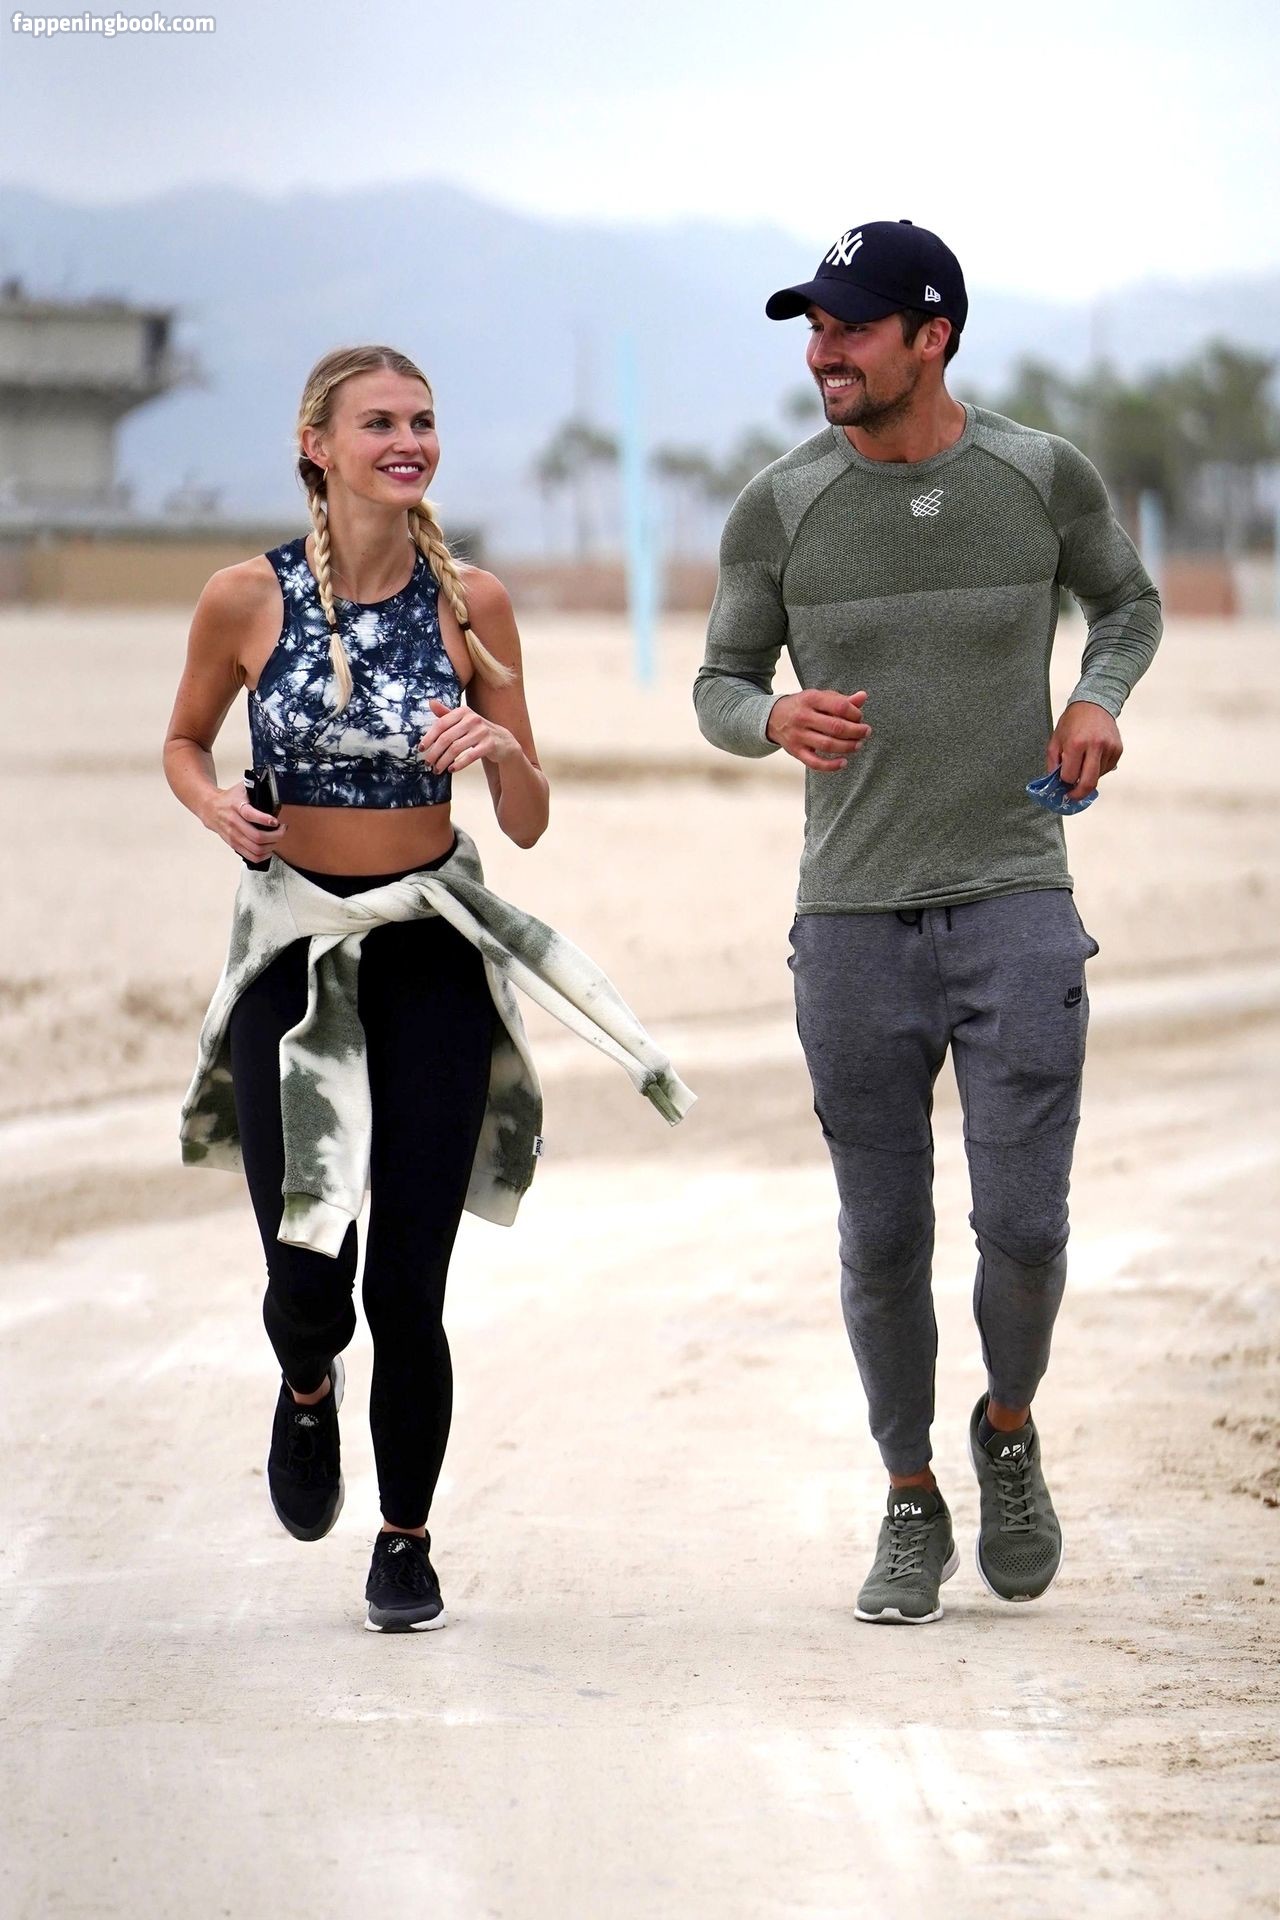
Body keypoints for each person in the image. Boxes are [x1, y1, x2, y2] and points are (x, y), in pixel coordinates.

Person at [165, 344, 692, 1633]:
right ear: (319, 446)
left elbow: (529, 819)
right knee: (306, 1273)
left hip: (431, 957)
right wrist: (215, 804)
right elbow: (181, 742)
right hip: (293, 955)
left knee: (407, 1286)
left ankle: (404, 1542)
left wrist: (501, 744)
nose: (408, 442)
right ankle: (306, 1389)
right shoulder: (245, 599)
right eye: (380, 423)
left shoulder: (474, 605)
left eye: (423, 421)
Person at [693, 221, 1161, 1624]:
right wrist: (772, 716)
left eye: (850, 327)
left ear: (932, 335)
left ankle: (1006, 1429)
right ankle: (909, 1496)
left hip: (1019, 896)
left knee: (1023, 1227)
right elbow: (720, 682)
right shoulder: (780, 505)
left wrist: (1095, 700)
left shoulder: (1037, 476)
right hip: (850, 919)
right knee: (883, 1234)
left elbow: (1126, 605)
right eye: (813, 329)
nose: (822, 352)